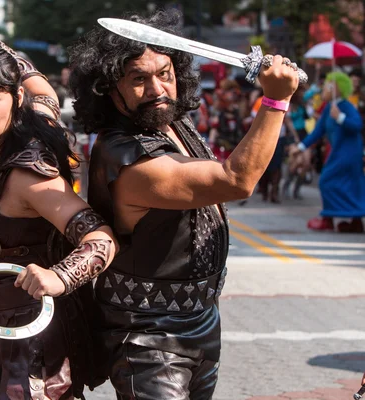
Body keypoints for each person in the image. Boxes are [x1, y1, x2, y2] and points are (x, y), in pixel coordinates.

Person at [68, 9, 299, 399]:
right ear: (110, 88)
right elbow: (235, 181)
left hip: (202, 320)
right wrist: (275, 101)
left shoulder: (168, 122)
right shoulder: (126, 157)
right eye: (138, 79)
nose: (157, 89)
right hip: (147, 337)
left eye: (164, 74)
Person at [0, 31, 118, 399]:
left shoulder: (27, 175)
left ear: (14, 98)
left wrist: (59, 276)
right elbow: (45, 94)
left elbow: (101, 238)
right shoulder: (36, 122)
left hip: (30, 344)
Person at [290, 71, 365, 233]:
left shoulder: (345, 106)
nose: (324, 89)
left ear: (336, 88)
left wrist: (340, 117)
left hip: (349, 153)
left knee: (327, 181)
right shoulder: (329, 108)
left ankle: (331, 218)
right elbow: (318, 132)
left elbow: (357, 125)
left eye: (328, 86)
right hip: (338, 152)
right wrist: (301, 147)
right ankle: (352, 219)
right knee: (342, 184)